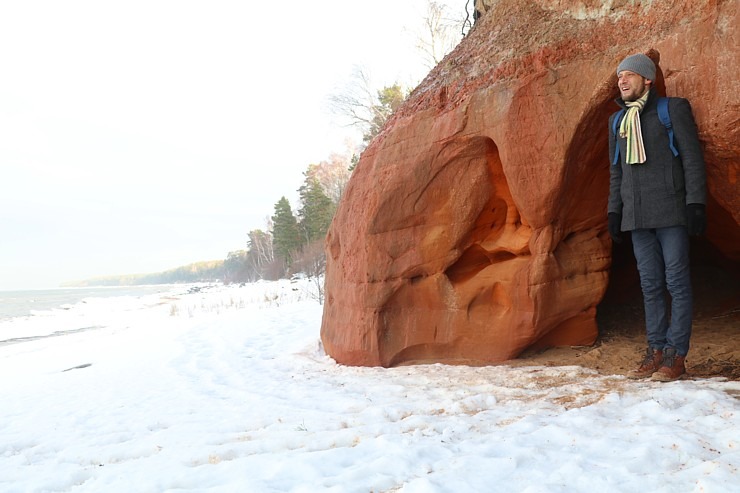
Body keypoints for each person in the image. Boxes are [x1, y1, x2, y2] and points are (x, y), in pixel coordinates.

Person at [607, 53, 707, 382]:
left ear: (648, 79)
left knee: (676, 284)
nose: (622, 81)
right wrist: (614, 210)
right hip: (636, 217)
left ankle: (676, 356)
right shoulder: (617, 122)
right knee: (650, 287)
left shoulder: (671, 109)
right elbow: (616, 172)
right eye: (620, 76)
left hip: (670, 211)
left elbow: (692, 159)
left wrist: (696, 204)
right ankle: (655, 351)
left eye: (630, 75)